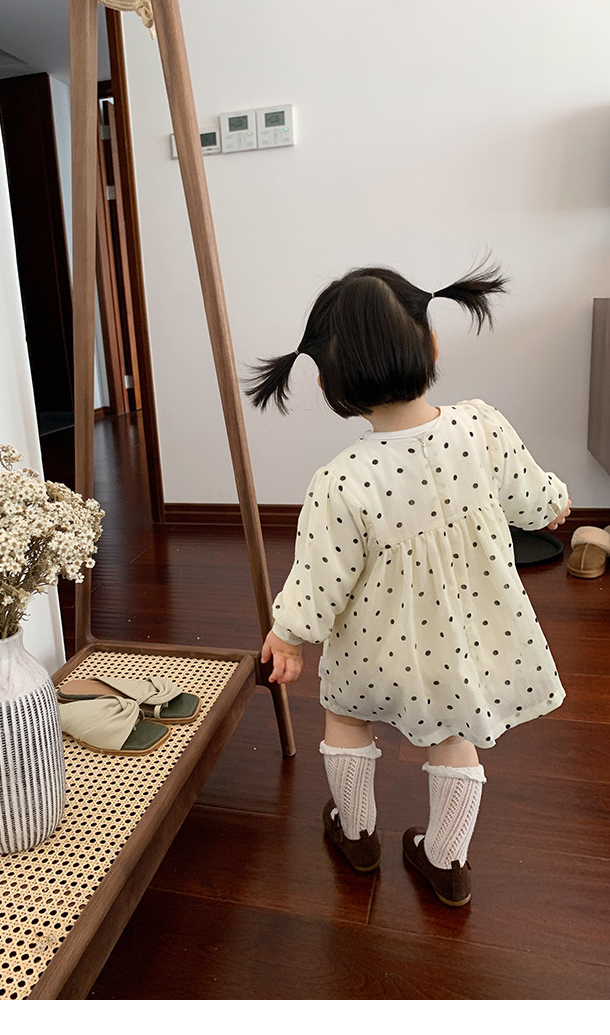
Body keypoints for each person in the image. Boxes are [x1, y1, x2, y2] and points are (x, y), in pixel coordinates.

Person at [245, 260, 571, 907]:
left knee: (346, 717)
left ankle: (357, 834)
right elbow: (536, 499)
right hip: (460, 644)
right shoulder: (482, 426)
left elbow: (318, 579)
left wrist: (287, 636)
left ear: (328, 382)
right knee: (455, 737)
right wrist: (555, 503)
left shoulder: (341, 479)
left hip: (372, 648)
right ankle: (446, 861)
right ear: (433, 345)